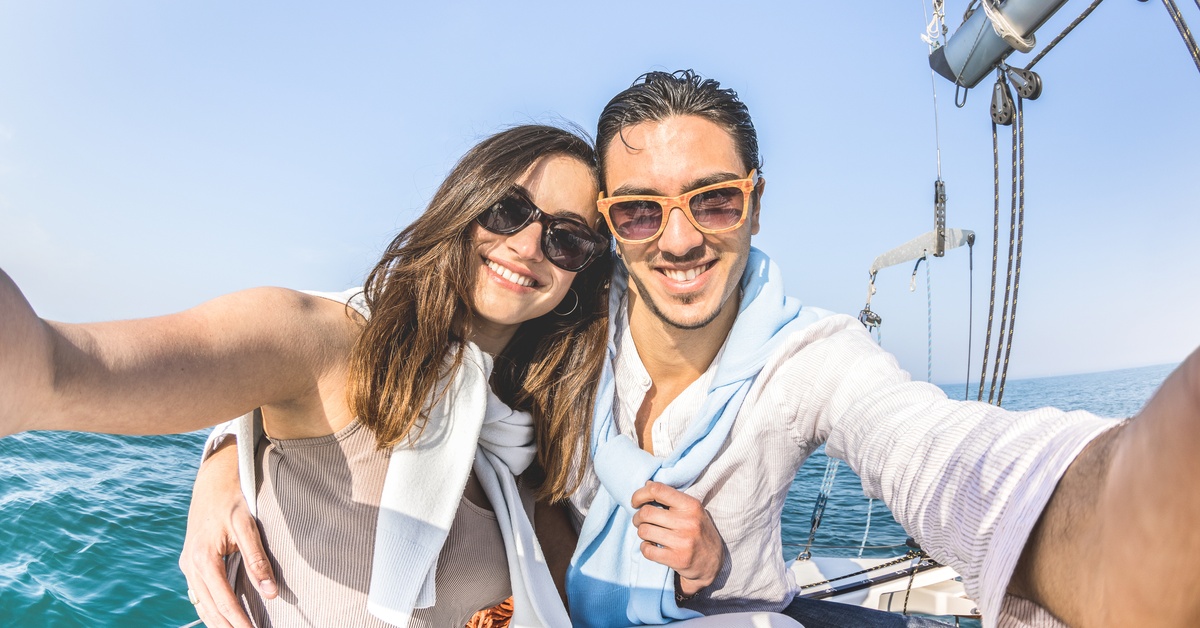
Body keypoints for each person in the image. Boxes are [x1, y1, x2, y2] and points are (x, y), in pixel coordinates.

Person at [186, 71, 1200, 628]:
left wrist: (1125, 520)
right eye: (638, 213)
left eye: (714, 200)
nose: (680, 239)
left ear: (757, 201)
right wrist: (230, 450)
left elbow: (942, 453)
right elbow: (372, 336)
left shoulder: (817, 358)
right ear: (608, 234)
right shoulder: (563, 337)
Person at [0, 125, 614, 627]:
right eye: (509, 210)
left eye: (568, 239)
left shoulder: (526, 444)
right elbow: (65, 370)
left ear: (579, 277)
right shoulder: (332, 341)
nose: (531, 244)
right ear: (464, 203)